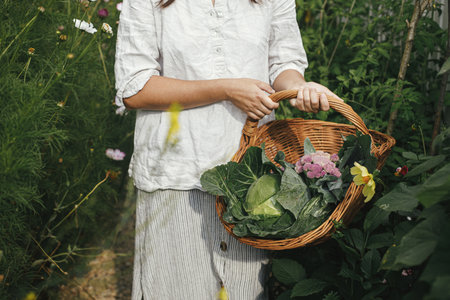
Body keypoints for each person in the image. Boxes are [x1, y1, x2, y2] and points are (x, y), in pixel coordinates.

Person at [114, 0, 341, 299]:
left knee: (243, 291)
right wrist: (225, 89)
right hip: (177, 170)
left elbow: (283, 63)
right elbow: (135, 87)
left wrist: (300, 88)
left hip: (252, 177)